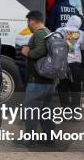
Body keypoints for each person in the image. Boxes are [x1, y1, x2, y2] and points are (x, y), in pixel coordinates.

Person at [17, 10, 56, 147]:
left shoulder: (39, 34)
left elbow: (40, 50)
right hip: (49, 81)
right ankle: (49, 138)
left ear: (32, 21)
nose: (28, 24)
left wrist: (27, 53)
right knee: (45, 111)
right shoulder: (48, 32)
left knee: (31, 111)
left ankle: (29, 139)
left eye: (28, 21)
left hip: (37, 80)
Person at [56, 15, 84, 111]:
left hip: (61, 63)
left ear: (69, 21)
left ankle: (66, 111)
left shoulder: (59, 30)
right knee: (76, 88)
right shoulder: (81, 33)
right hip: (75, 65)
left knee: (62, 87)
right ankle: (76, 110)